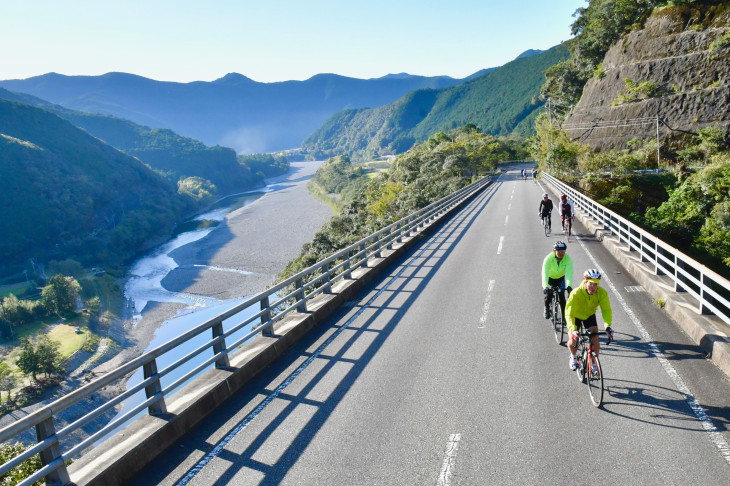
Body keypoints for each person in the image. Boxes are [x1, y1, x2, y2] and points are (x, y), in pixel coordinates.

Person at [565, 268, 614, 371]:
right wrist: (573, 329)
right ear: (585, 282)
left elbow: (606, 310)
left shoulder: (602, 293)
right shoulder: (576, 293)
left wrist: (608, 326)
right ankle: (573, 357)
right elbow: (568, 313)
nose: (593, 287)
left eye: (595, 284)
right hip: (575, 316)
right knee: (573, 340)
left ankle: (593, 362)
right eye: (590, 284)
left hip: (589, 315)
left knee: (595, 337)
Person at [541, 240, 573, 319]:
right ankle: (547, 308)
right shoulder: (548, 259)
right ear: (554, 251)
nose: (561, 253)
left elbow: (569, 274)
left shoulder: (567, 259)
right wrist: (545, 286)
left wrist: (569, 286)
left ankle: (565, 317)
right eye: (559, 251)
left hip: (560, 279)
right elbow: (544, 273)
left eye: (563, 251)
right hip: (550, 279)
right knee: (549, 295)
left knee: (562, 298)